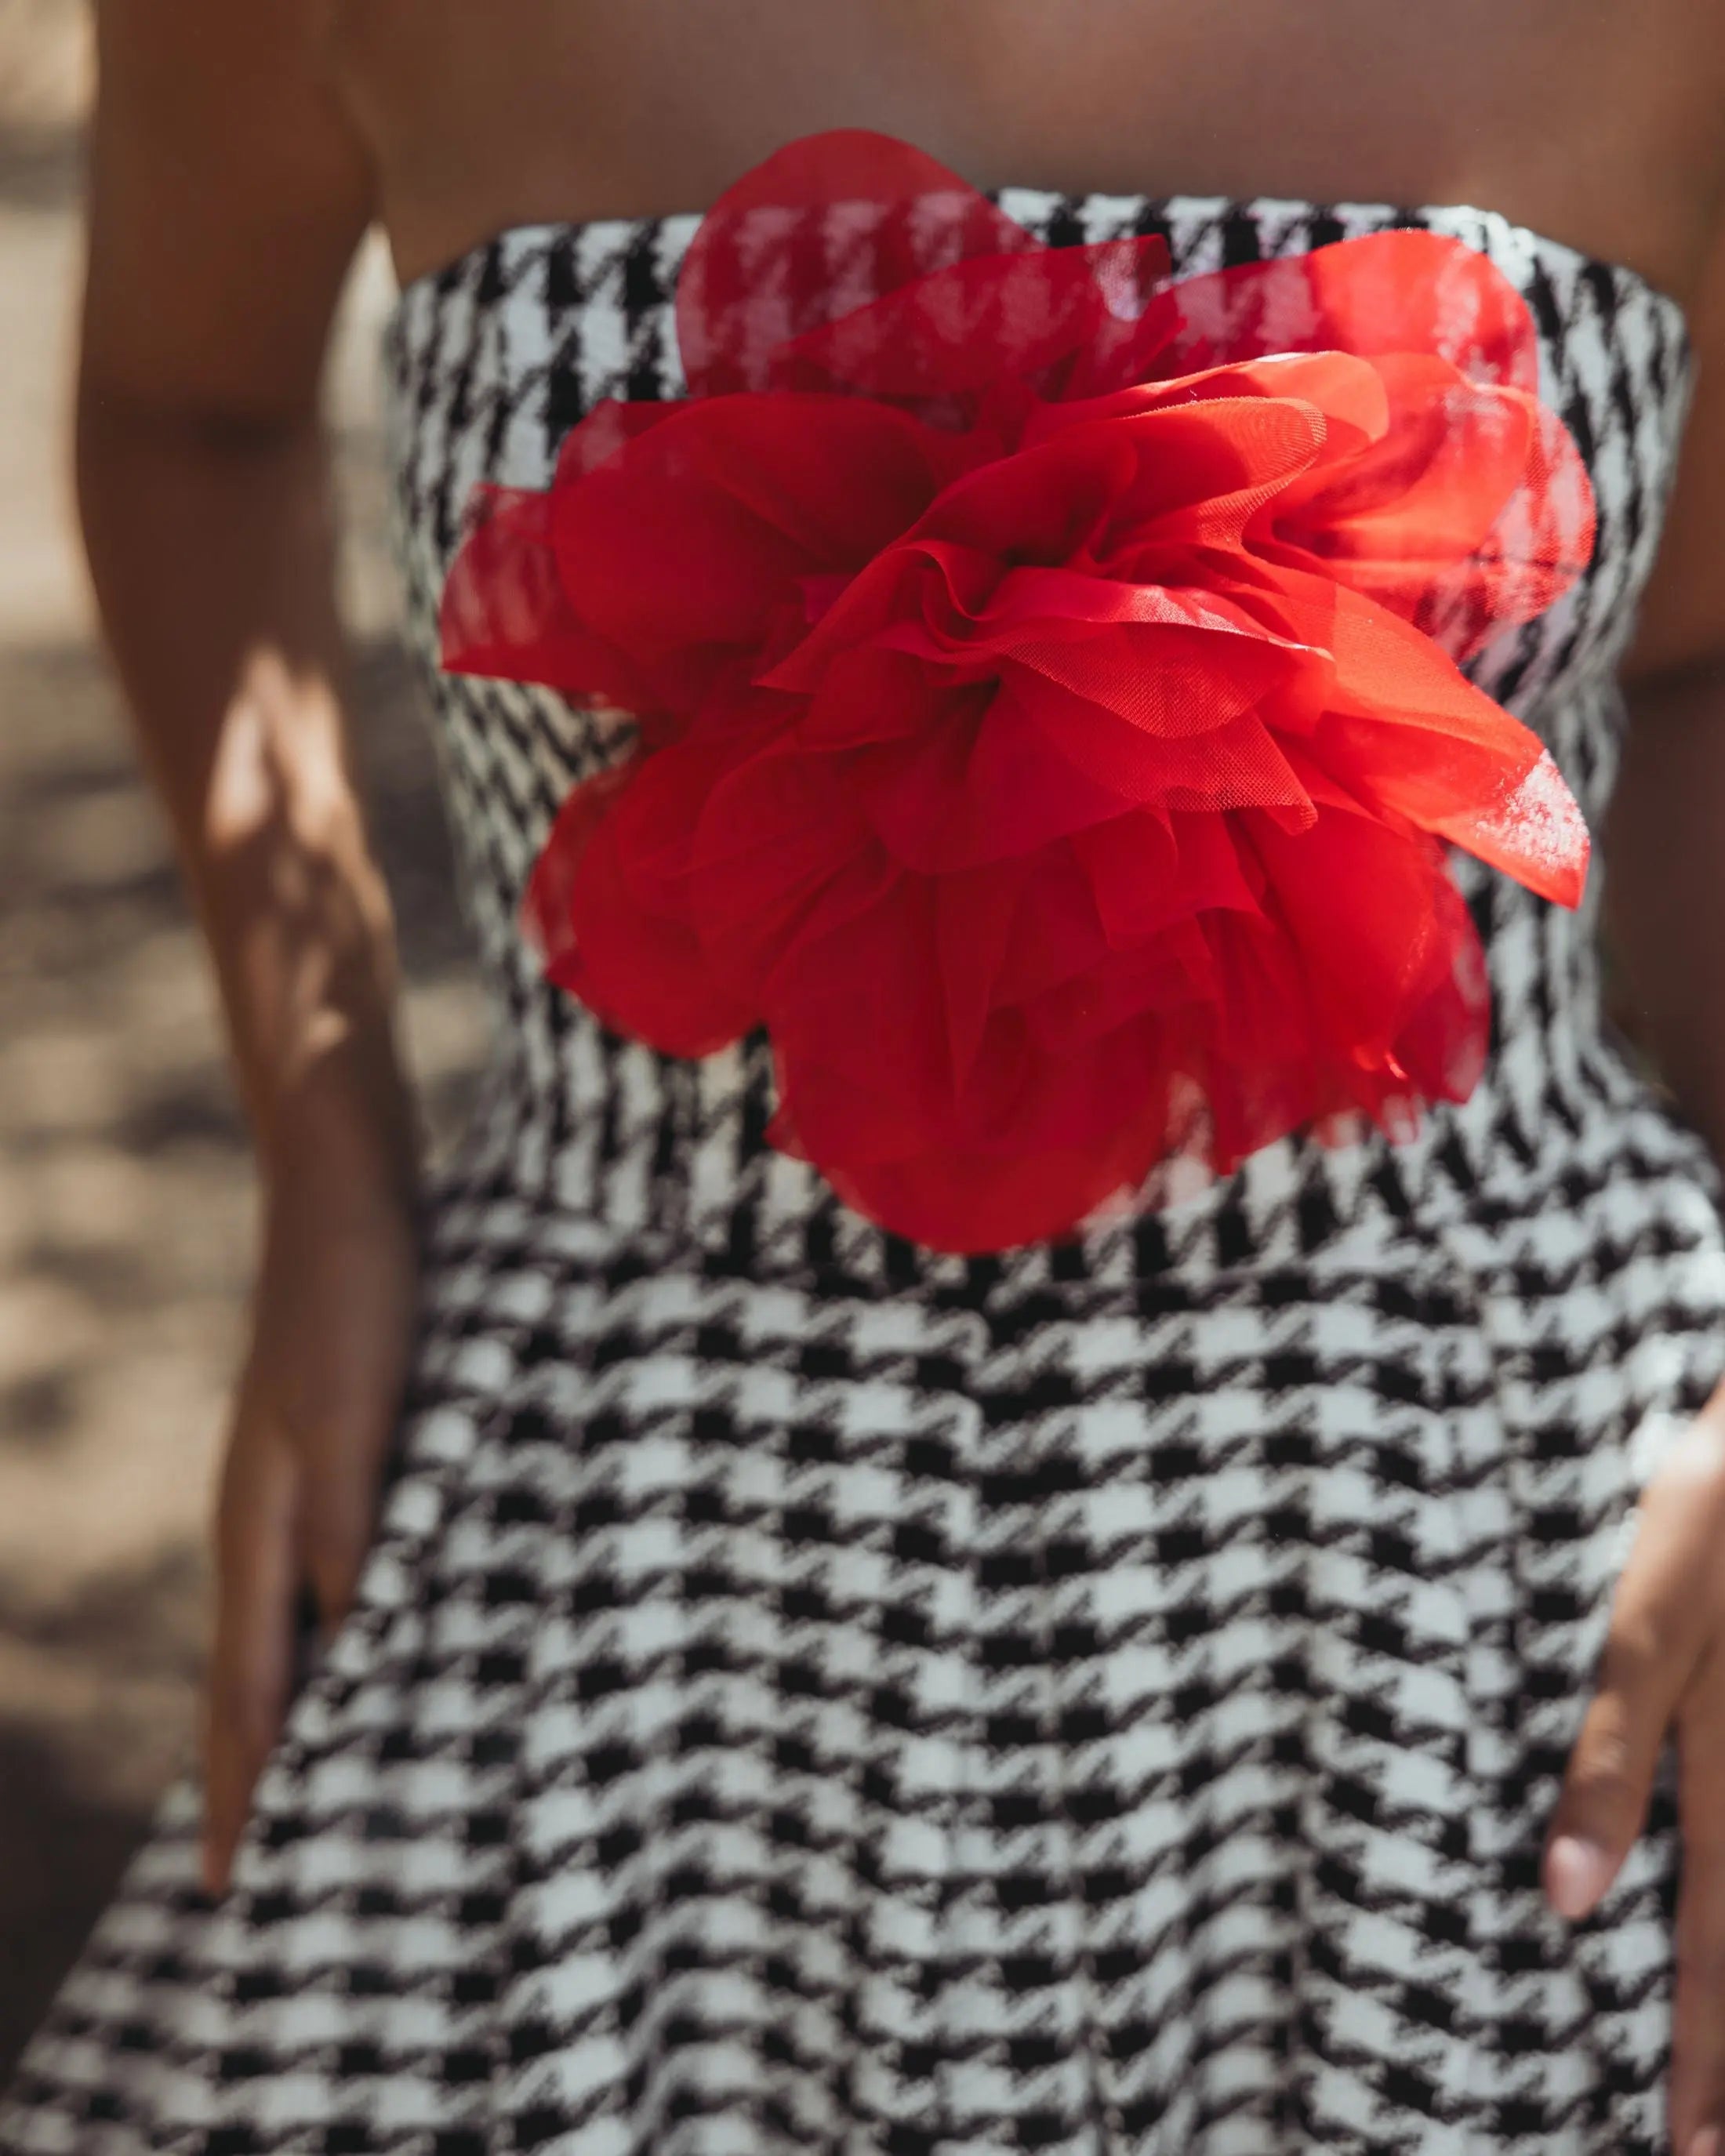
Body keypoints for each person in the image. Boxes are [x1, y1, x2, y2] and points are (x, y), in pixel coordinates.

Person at [7, 2, 1725, 2150]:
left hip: (1500, 1546)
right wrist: (324, 1141)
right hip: (626, 1534)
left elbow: (1705, 663)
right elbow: (188, 412)